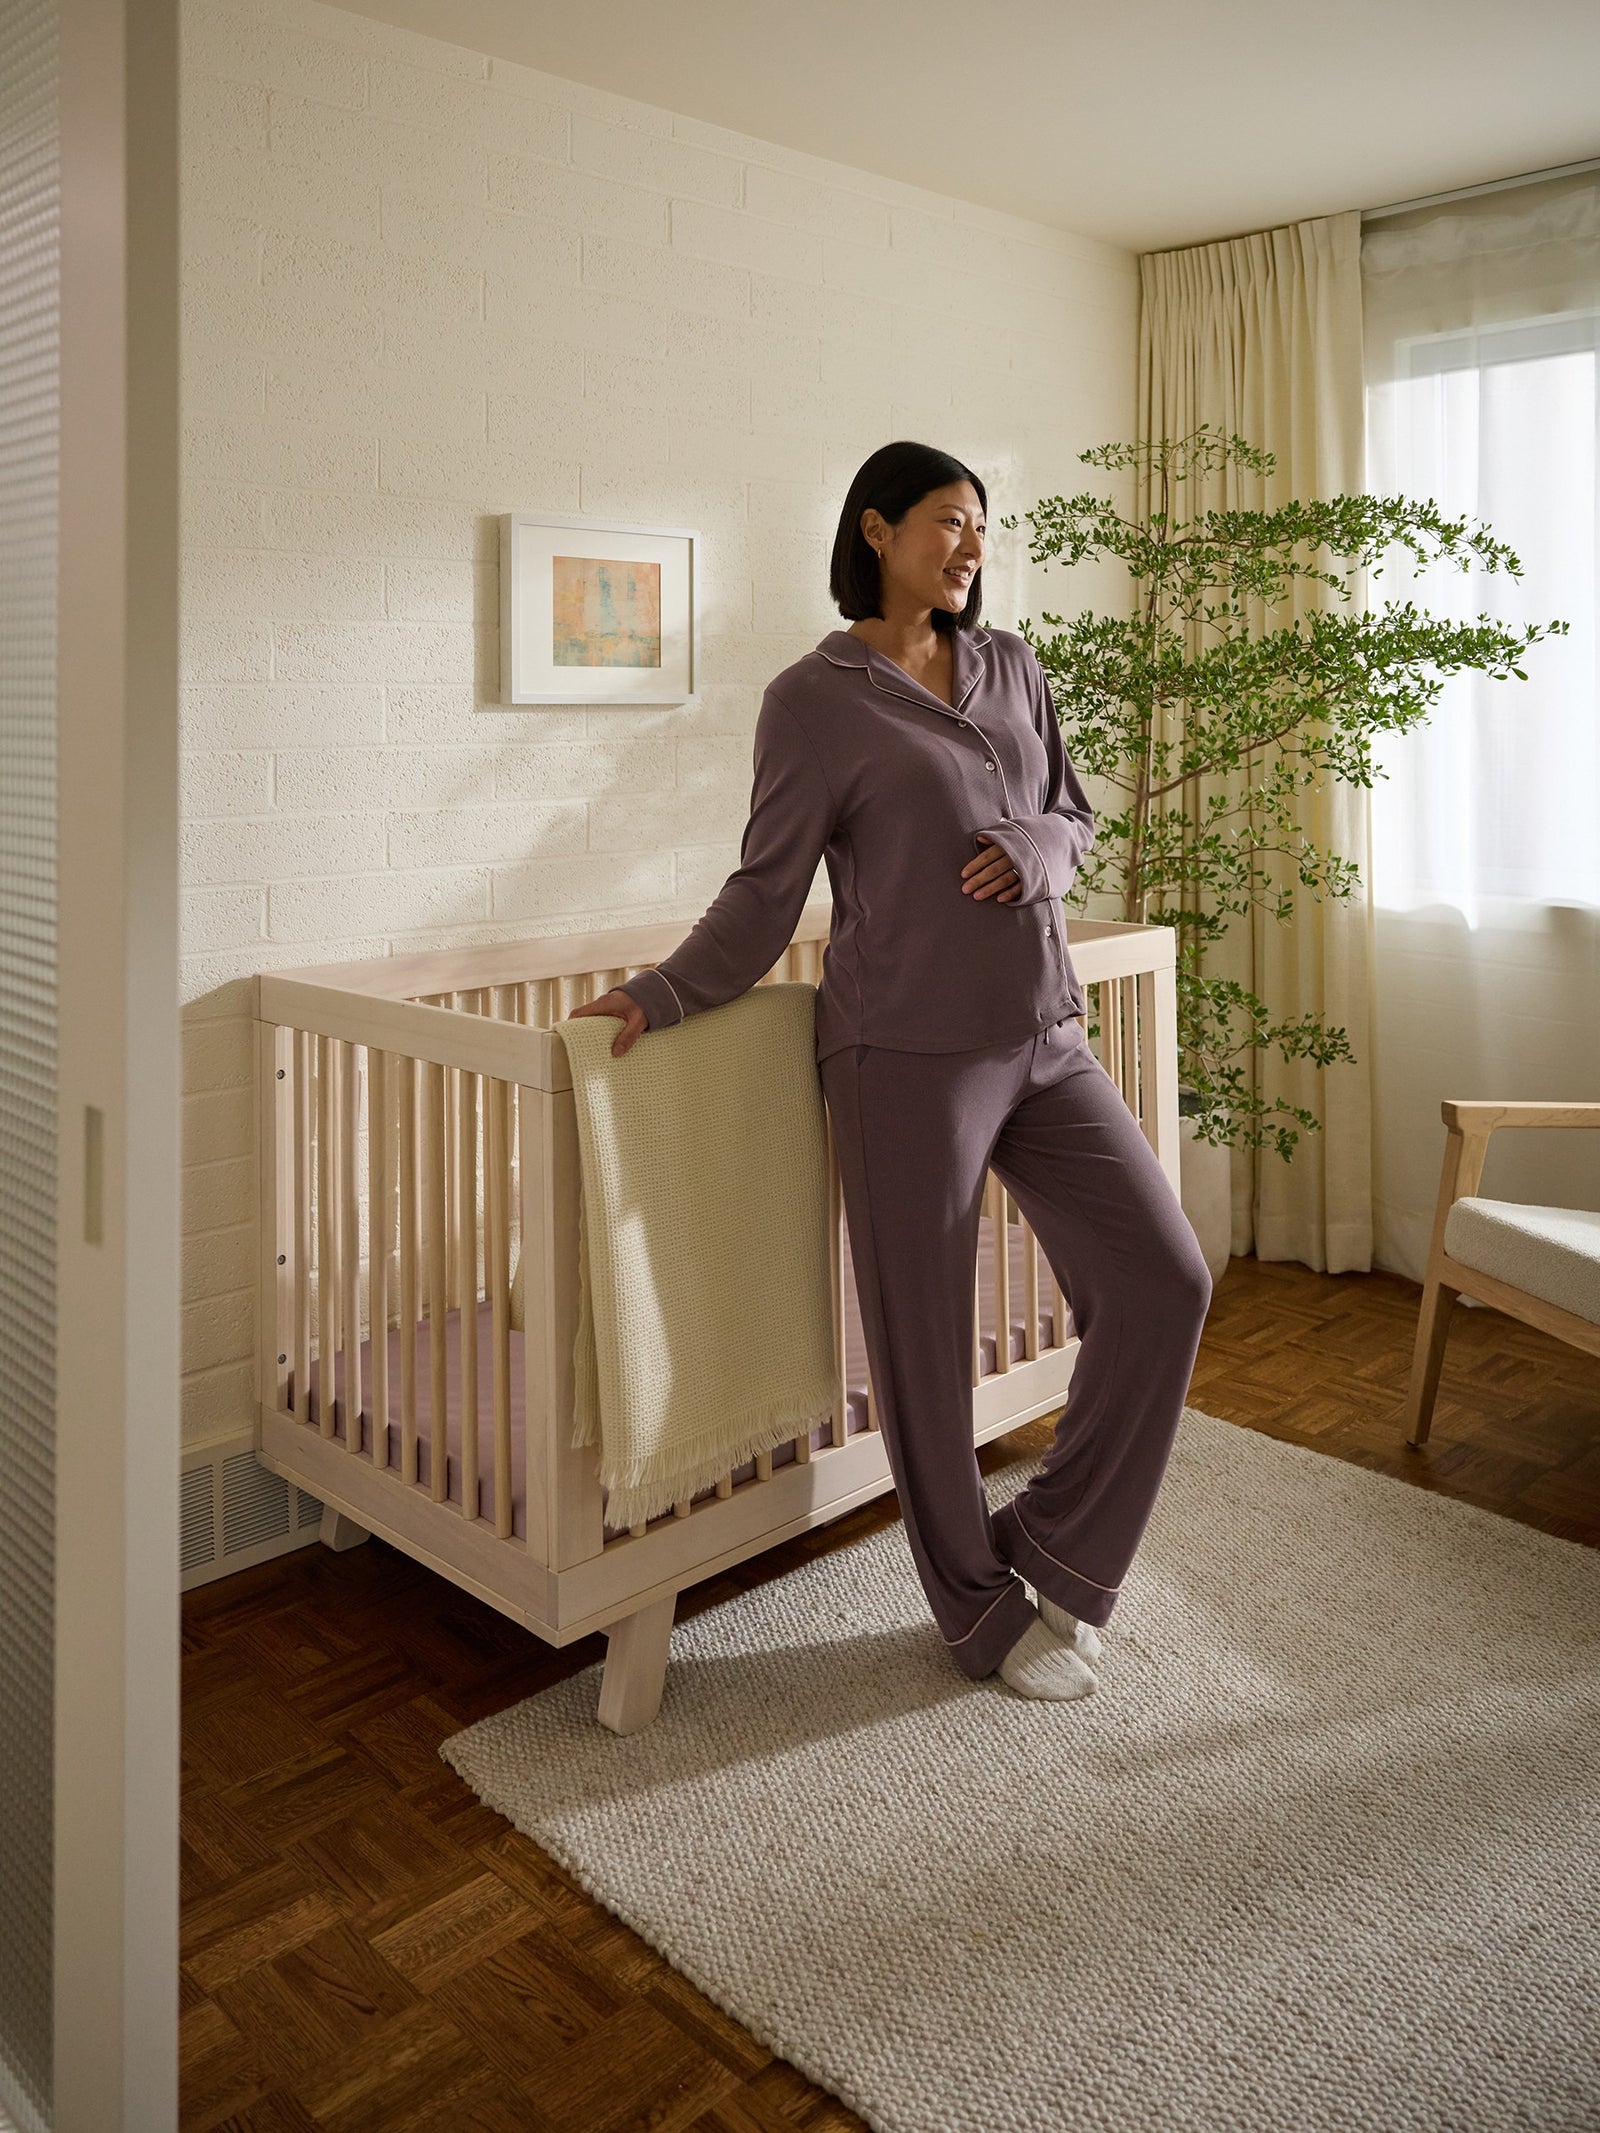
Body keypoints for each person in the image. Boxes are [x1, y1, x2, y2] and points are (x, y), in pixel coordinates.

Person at [569, 439, 1213, 1702]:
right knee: (922, 1350)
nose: (972, 549)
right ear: (876, 531)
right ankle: (974, 1614)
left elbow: (1074, 817)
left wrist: (1038, 843)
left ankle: (1055, 1550)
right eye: (949, 524)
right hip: (901, 1059)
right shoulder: (812, 701)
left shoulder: (1013, 668)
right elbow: (765, 896)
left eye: (981, 529)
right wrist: (659, 992)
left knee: (1165, 1281)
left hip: (1045, 1038)